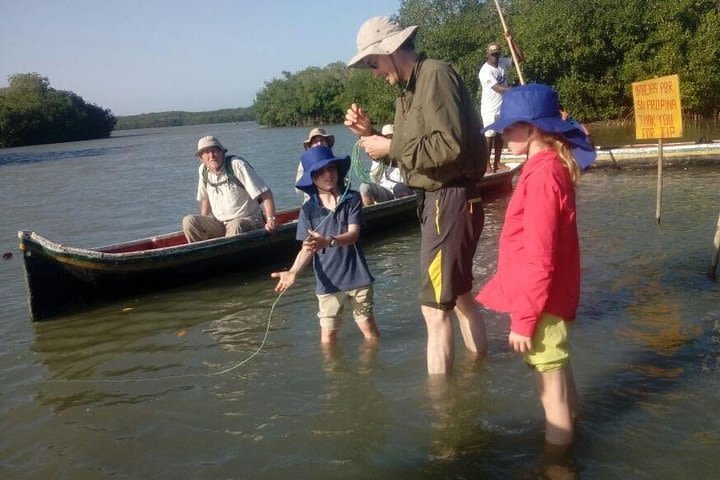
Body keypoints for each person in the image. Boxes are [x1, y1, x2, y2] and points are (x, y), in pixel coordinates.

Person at [344, 16, 487, 375]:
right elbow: (414, 147)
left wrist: (389, 145)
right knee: (461, 297)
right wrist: (372, 133)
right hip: (440, 203)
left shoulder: (435, 75)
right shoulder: (405, 94)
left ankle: (443, 416)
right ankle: (478, 377)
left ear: (391, 50)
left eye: (372, 62)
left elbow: (447, 145)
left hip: (449, 200)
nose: (373, 71)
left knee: (433, 309)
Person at [475, 84, 597, 447]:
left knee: (551, 397)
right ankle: (574, 445)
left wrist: (524, 320)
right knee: (562, 387)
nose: (502, 133)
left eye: (508, 127)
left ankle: (558, 467)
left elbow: (540, 256)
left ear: (531, 130)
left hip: (543, 306)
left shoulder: (543, 175)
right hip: (553, 300)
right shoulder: (550, 167)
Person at [271, 146, 380, 344]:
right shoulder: (308, 210)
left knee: (368, 330)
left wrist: (328, 241)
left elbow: (354, 234)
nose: (328, 174)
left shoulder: (352, 199)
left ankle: (371, 369)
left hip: (358, 278)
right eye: (320, 171)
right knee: (328, 338)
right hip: (328, 283)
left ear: (338, 171)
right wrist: (293, 272)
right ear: (312, 178)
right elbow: (307, 247)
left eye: (331, 168)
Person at [182, 135, 276, 242]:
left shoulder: (237, 165)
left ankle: (228, 257)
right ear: (201, 158)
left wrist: (270, 220)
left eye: (215, 151)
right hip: (220, 223)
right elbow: (205, 198)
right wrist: (204, 221)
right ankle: (202, 255)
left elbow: (266, 194)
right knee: (189, 221)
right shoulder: (203, 171)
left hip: (247, 220)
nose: (212, 155)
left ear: (222, 152)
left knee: (236, 226)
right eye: (207, 153)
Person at [479, 41, 524, 173]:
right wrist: (515, 90)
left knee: (500, 135)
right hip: (489, 109)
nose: (495, 57)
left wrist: (512, 41)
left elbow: (519, 58)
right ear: (488, 55)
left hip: (502, 107)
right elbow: (497, 88)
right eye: (493, 55)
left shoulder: (502, 62)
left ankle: (497, 163)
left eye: (497, 54)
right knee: (489, 137)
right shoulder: (485, 71)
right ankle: (487, 165)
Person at [359, 124, 413, 206]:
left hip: (403, 189)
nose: (388, 139)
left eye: (391, 137)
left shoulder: (404, 151)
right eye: (386, 137)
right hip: (385, 191)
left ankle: (403, 213)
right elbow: (373, 178)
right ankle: (370, 215)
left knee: (399, 187)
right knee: (364, 187)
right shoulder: (377, 157)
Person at [296, 127, 335, 201]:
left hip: (335, 200)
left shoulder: (335, 160)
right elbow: (298, 188)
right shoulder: (304, 163)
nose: (319, 143)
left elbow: (346, 183)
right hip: (312, 201)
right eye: (315, 141)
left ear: (327, 143)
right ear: (310, 146)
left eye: (322, 140)